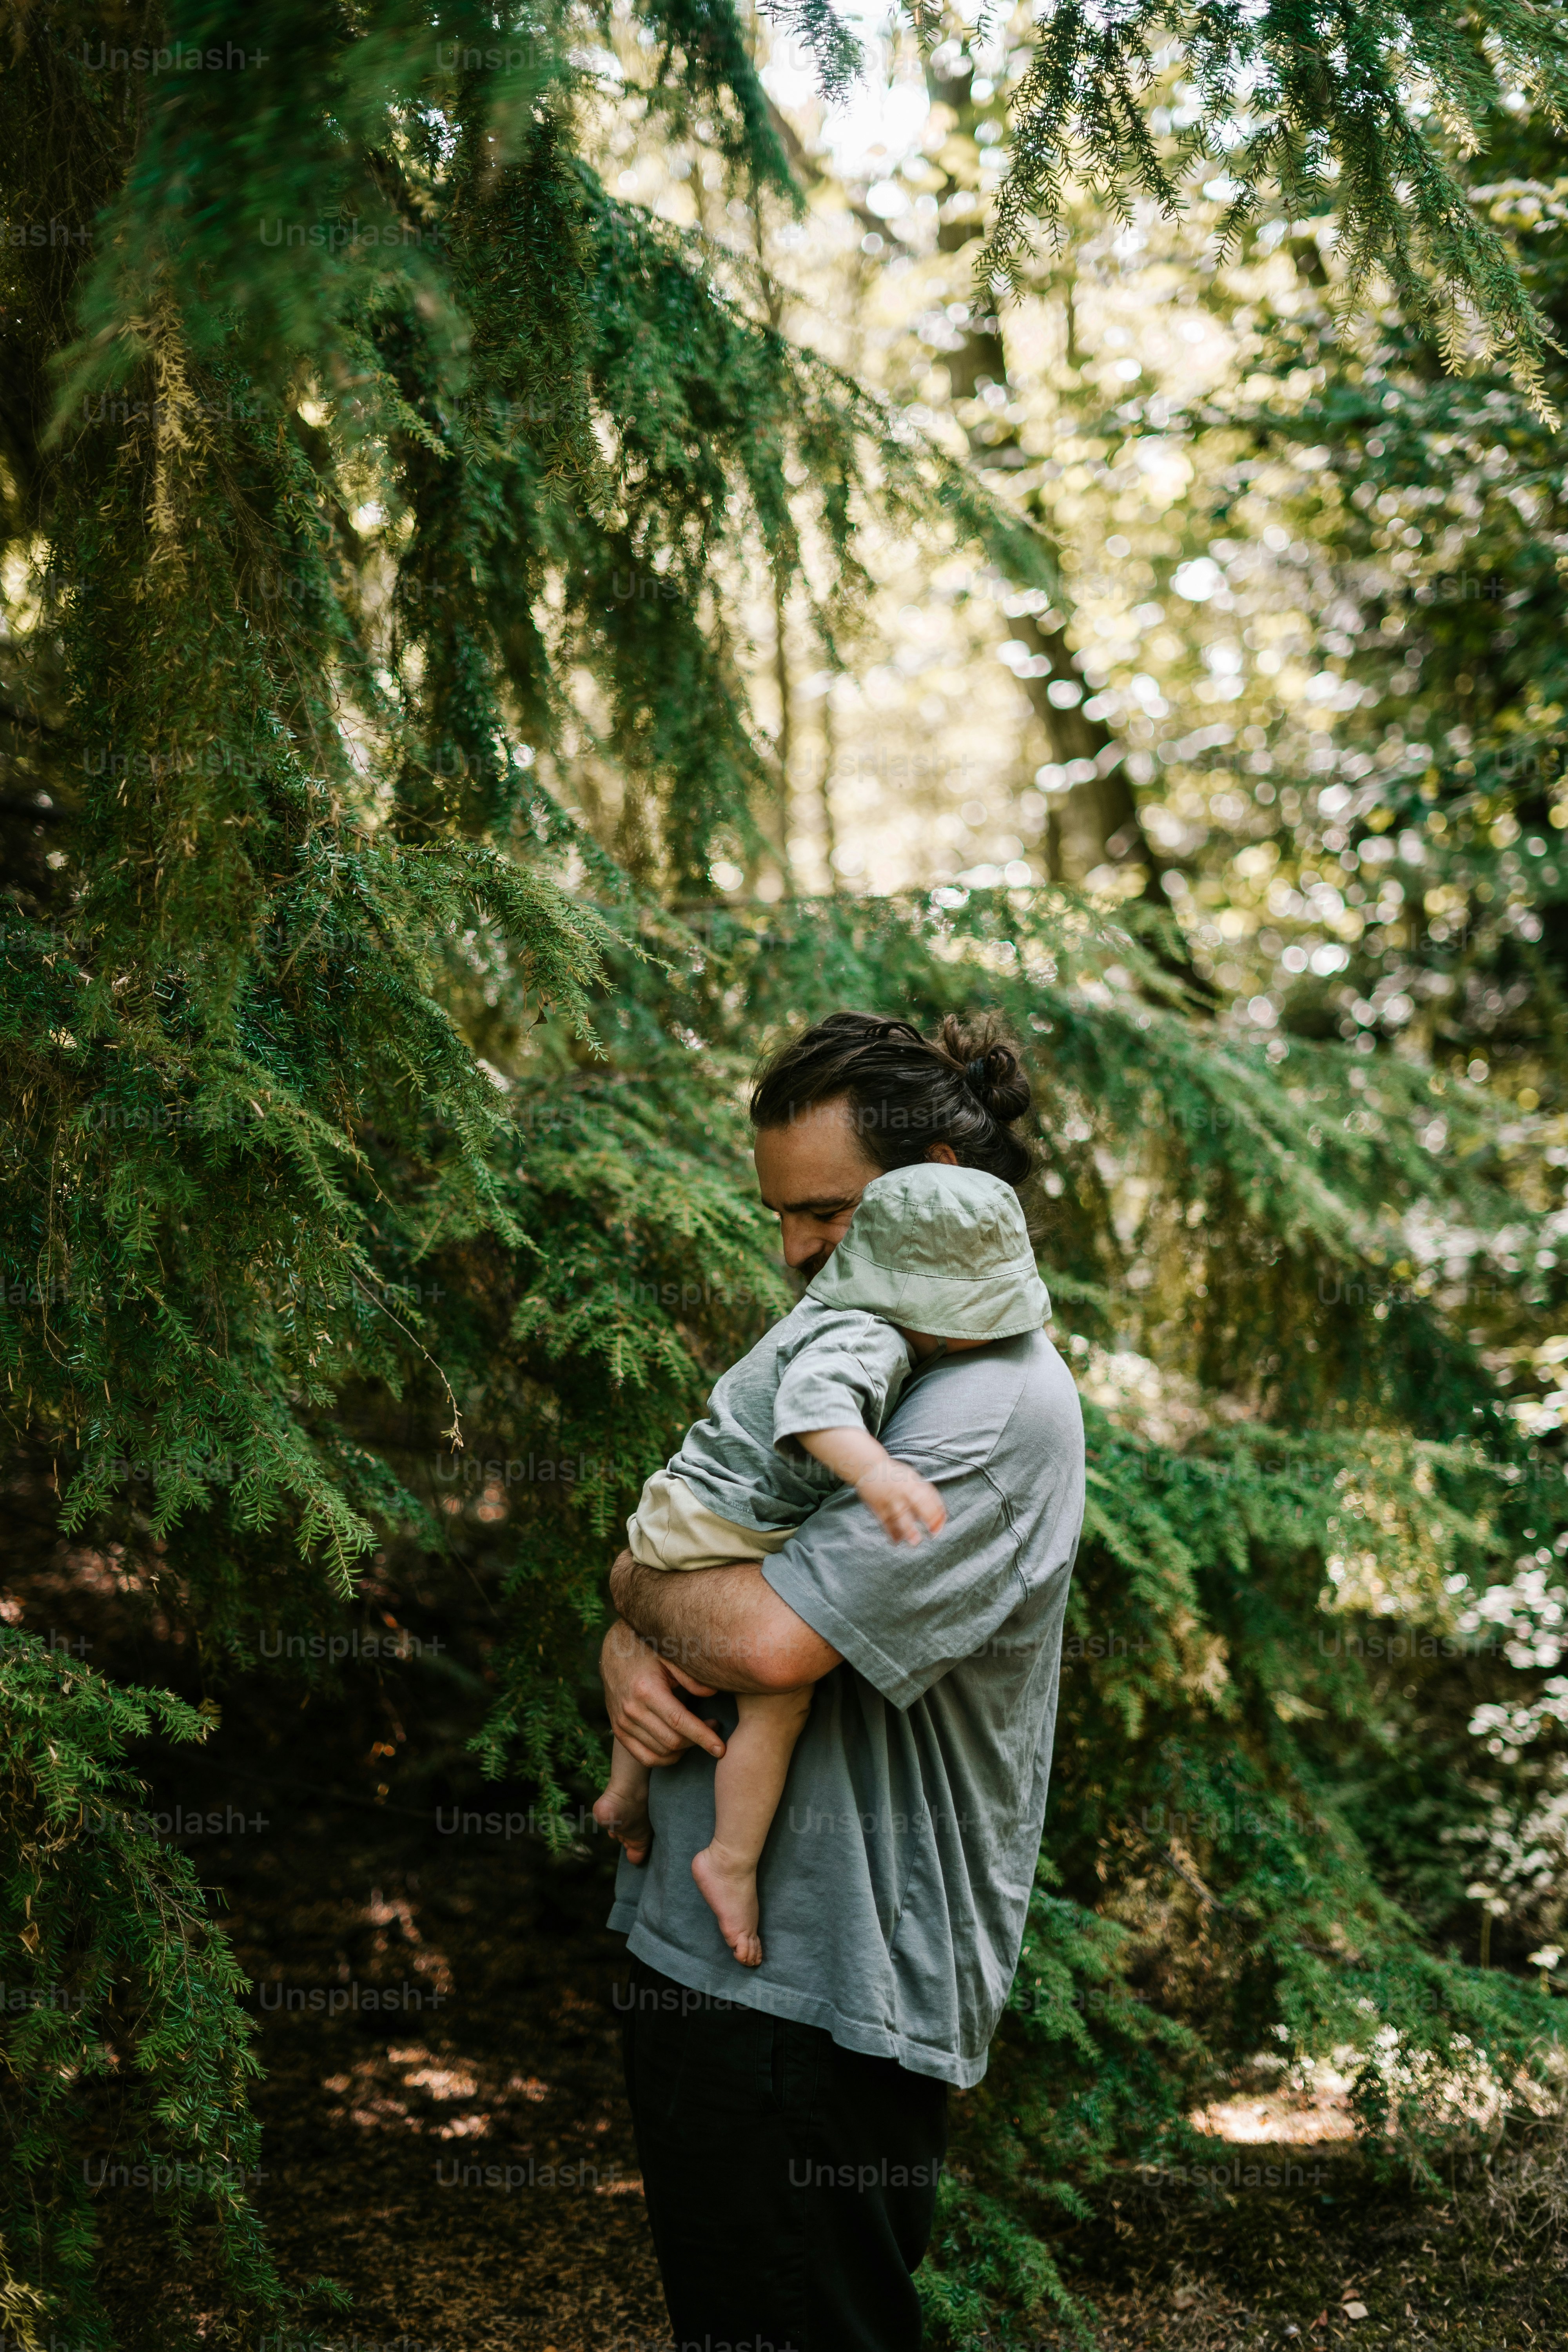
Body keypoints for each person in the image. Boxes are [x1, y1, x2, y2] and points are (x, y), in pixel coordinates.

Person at [601, 1010, 1086, 2352]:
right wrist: (628, 1642)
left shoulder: (986, 1408)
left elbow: (760, 1637)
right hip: (718, 1967)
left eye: (826, 1212)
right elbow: (713, 1538)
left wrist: (638, 1602)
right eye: (785, 1218)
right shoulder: (879, 1333)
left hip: (818, 1993)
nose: (799, 1253)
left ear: (938, 1179)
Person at [594, 1159, 1053, 1966]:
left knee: (681, 1659)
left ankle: (625, 1797)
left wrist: (636, 1607)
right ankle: (728, 1860)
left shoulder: (837, 1311)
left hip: (685, 1508)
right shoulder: (865, 1331)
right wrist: (875, 1471)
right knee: (781, 1701)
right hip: (722, 1522)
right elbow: (814, 1408)